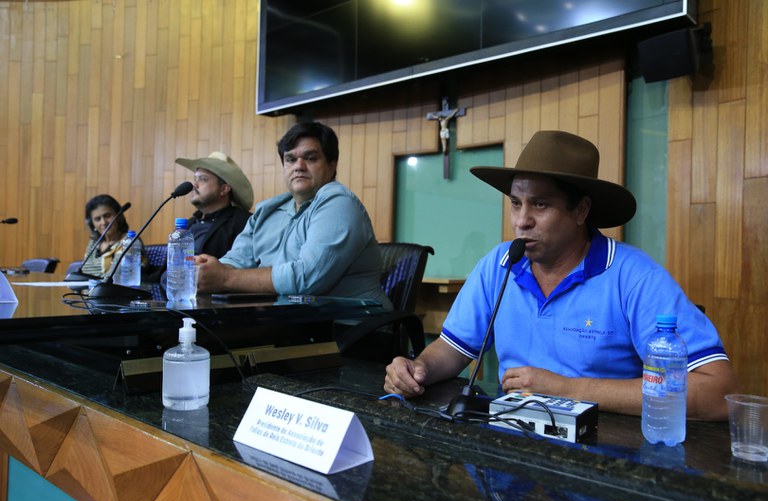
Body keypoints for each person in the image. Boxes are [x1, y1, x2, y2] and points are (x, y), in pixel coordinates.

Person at [385, 130, 739, 420]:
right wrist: (418, 369)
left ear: (581, 210)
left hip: (603, 454)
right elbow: (453, 348)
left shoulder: (635, 277)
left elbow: (717, 390)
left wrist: (566, 389)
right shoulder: (501, 264)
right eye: (516, 203)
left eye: (540, 204)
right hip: (508, 444)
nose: (521, 221)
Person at [195, 122, 392, 309]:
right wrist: (205, 271)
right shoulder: (267, 211)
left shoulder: (339, 203)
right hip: (287, 322)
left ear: (332, 165)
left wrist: (225, 278)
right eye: (290, 159)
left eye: (310, 158)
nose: (299, 166)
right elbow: (236, 260)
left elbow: (306, 279)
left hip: (351, 324)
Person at [175, 151, 254, 257]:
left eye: (203, 179)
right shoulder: (189, 223)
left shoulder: (244, 223)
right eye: (195, 179)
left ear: (224, 189)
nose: (194, 185)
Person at [81, 194, 145, 279]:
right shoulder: (94, 243)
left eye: (107, 216)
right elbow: (84, 271)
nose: (103, 222)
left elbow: (116, 274)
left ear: (118, 216)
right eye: (97, 219)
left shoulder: (129, 241)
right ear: (92, 223)